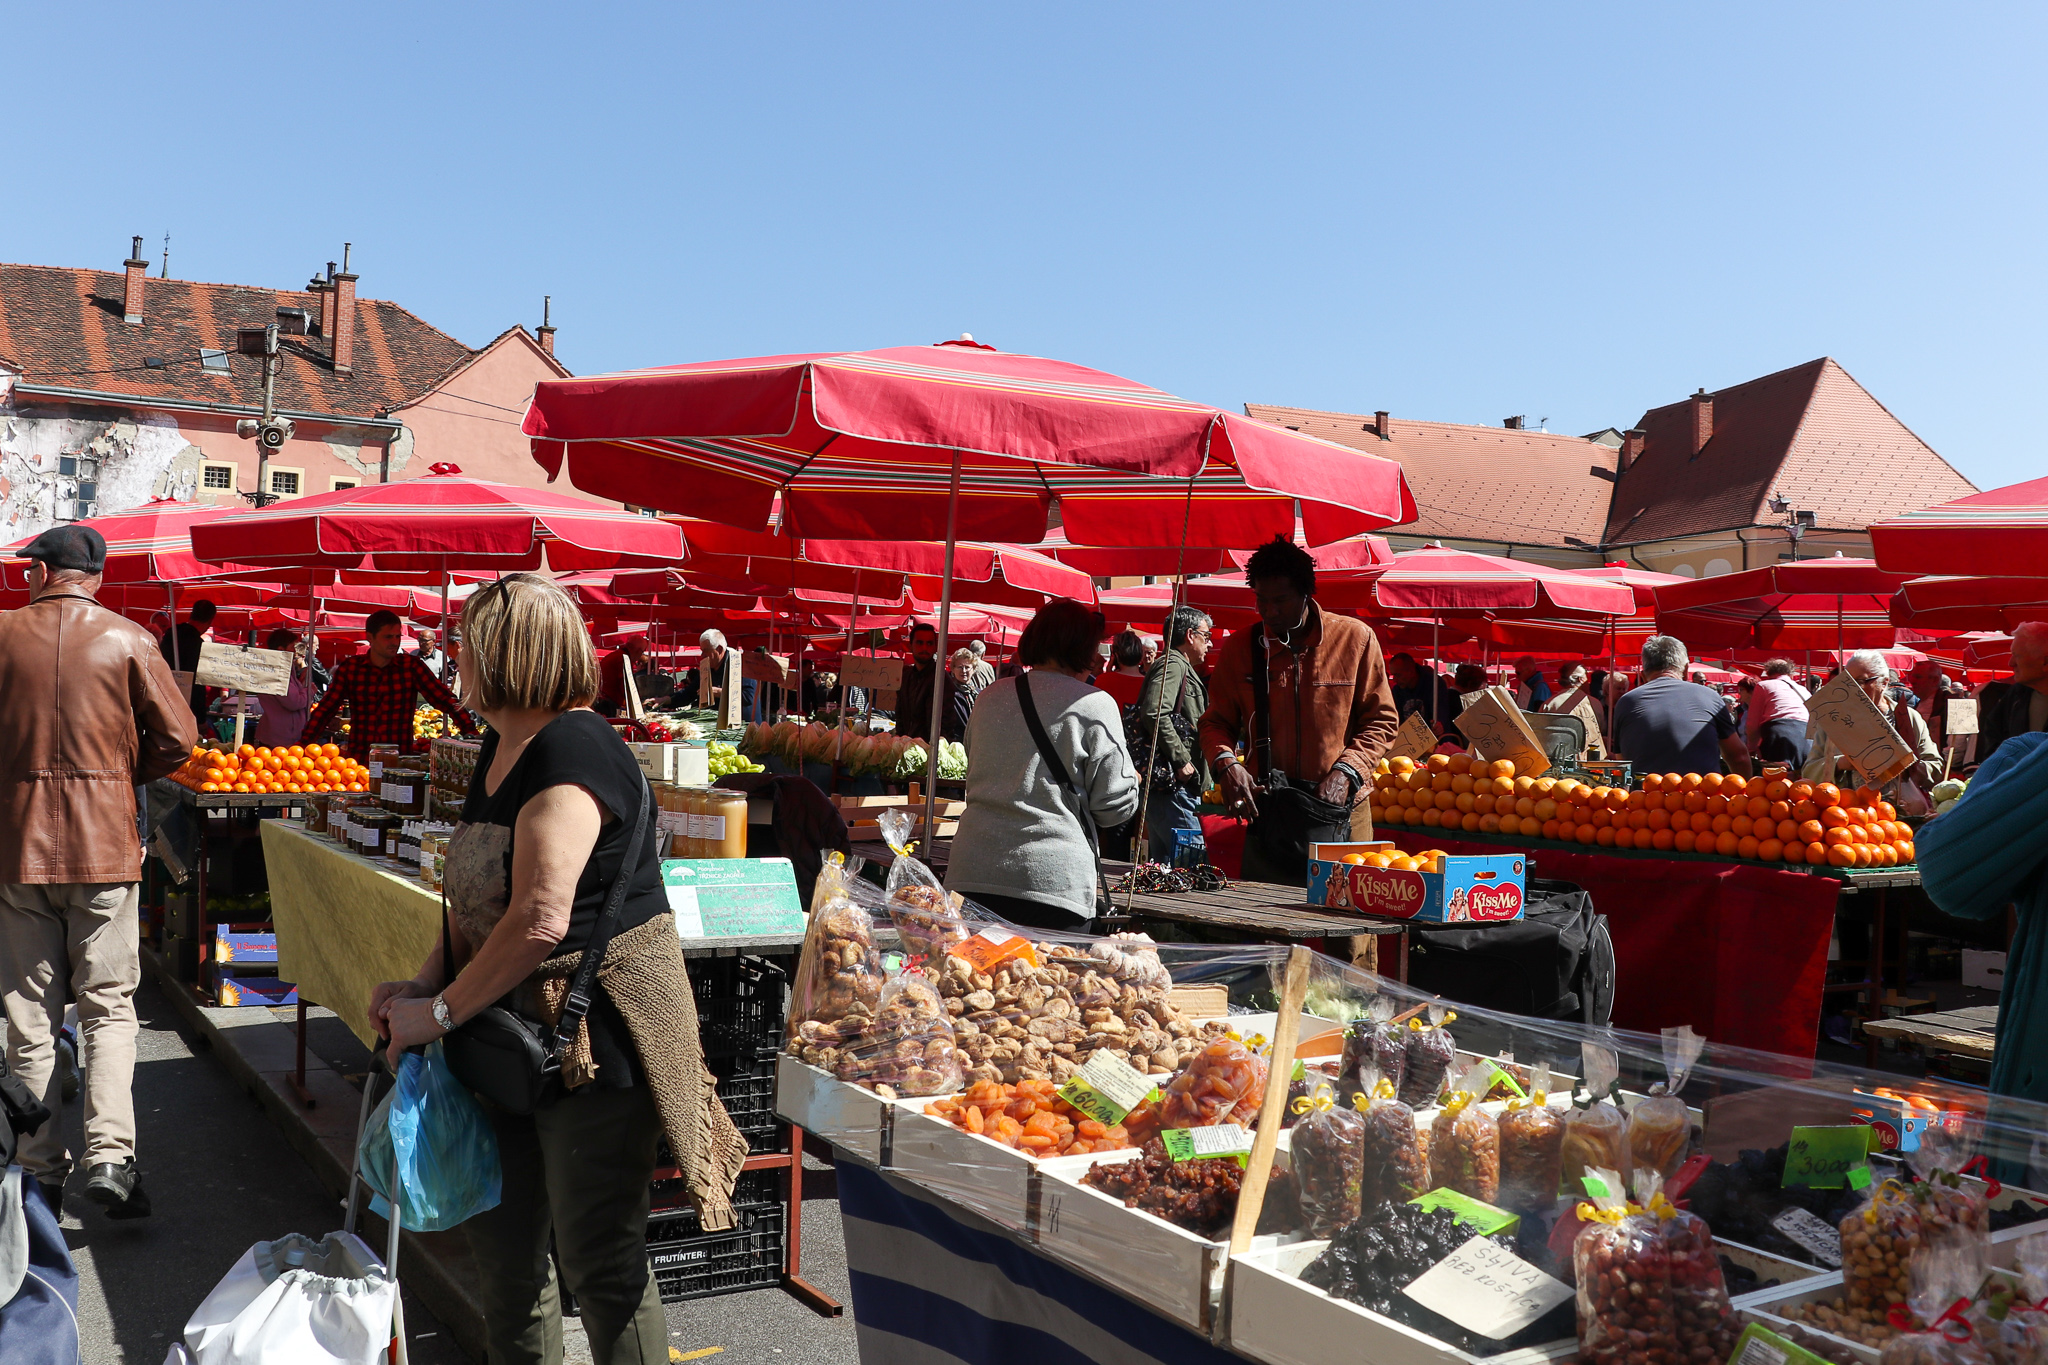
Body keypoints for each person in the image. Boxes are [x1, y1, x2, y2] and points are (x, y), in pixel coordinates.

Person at [369, 574, 745, 1364]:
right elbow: (481, 905)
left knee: (600, 1266)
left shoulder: (574, 747)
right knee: (508, 1267)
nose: (454, 654)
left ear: (508, 652)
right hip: (507, 1037)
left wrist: (438, 1014)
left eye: (466, 640)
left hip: (591, 1047)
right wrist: (424, 985)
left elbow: (540, 916)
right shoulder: (504, 747)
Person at [0, 525, 197, 1219]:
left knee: (30, 1016)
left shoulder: (3, 633)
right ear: (95, 577)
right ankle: (111, 1154)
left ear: (46, 572)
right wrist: (114, 778)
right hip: (106, 850)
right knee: (109, 1007)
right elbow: (179, 739)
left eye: (30, 568)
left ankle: (38, 1168)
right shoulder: (130, 638)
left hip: (18, 849)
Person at [1198, 537, 1400, 883]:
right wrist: (1225, 764)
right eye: (1261, 600)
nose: (1269, 611)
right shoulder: (1240, 649)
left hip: (1343, 807)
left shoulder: (1356, 639)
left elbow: (1381, 721)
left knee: (1348, 925)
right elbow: (1216, 722)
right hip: (1270, 811)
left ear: (1307, 594)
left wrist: (1347, 772)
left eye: (1281, 601)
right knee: (1267, 924)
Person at [945, 599, 1139, 928]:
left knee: (974, 979)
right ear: (1085, 647)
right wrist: (1132, 782)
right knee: (1048, 980)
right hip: (1051, 884)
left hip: (972, 873)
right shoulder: (1094, 704)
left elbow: (973, 767)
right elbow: (1113, 808)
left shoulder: (989, 697)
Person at [303, 609, 476, 760]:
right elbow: (326, 709)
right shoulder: (351, 668)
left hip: (399, 762)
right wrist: (303, 744)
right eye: (388, 637)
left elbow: (444, 699)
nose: (395, 642)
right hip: (361, 759)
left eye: (397, 636)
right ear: (370, 637)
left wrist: (470, 732)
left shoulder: (411, 666)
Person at [1802, 651, 1942, 799]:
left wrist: (1907, 766)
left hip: (1896, 813)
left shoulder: (1908, 717)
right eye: (1849, 682)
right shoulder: (1832, 720)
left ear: (1884, 682)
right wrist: (1841, 763)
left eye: (1862, 681)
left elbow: (1935, 767)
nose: (1854, 688)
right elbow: (1809, 771)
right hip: (1843, 811)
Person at [1134, 606, 1214, 863]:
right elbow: (1155, 711)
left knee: (1167, 868)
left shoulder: (1177, 665)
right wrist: (1181, 759)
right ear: (1190, 635)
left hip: (1169, 784)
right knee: (1190, 865)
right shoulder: (1173, 664)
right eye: (1206, 635)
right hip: (1172, 782)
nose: (1209, 643)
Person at [1609, 635, 1751, 777]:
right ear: (1685, 670)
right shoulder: (1710, 697)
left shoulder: (1625, 703)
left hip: (1645, 795)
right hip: (1703, 794)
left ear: (1643, 676)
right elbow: (1739, 757)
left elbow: (1622, 761)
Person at [1974, 623, 2048, 764]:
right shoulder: (2015, 696)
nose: (2010, 663)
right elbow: (1994, 740)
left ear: (2045, 662)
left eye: (2017, 656)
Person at [895, 622, 962, 742]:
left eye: (929, 643)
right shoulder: (906, 676)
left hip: (931, 749)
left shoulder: (941, 678)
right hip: (907, 746)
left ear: (935, 647)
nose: (925, 648)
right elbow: (900, 715)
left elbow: (945, 722)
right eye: (920, 643)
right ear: (911, 645)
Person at [251, 628, 314, 748]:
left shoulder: (285, 670)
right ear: (281, 650)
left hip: (282, 734)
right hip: (280, 737)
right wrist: (309, 690)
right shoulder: (277, 672)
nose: (296, 652)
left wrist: (301, 685)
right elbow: (294, 702)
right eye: (293, 647)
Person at [1745, 658, 1812, 768]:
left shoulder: (1764, 685)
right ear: (1790, 672)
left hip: (1779, 735)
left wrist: (1751, 749)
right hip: (1807, 738)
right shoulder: (1803, 690)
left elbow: (1752, 724)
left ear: (1768, 672)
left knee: (1777, 782)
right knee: (1802, 782)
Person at [159, 596, 217, 721]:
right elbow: (197, 683)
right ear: (210, 621)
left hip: (161, 697)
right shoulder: (197, 645)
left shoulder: (171, 635)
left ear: (191, 614)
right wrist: (200, 717)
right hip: (185, 707)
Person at [1541, 662, 1606, 760]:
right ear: (1582, 679)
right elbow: (1602, 728)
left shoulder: (1550, 703)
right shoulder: (1594, 703)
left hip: (1560, 761)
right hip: (1593, 762)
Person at [1387, 652, 1457, 731]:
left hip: (1437, 738)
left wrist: (1440, 723)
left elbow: (1442, 709)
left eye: (1398, 675)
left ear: (1411, 672)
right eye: (1393, 675)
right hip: (1408, 739)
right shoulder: (1397, 691)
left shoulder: (1434, 684)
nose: (1394, 680)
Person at [597, 635, 649, 717]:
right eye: (642, 652)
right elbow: (625, 686)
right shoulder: (623, 659)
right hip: (605, 703)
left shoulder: (618, 655)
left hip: (602, 699)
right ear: (638, 651)